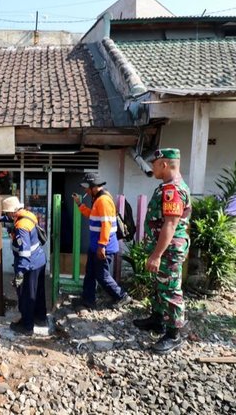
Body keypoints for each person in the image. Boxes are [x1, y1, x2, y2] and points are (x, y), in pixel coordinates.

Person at [133, 148, 191, 354]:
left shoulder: (173, 190)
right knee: (160, 286)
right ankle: (157, 320)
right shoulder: (166, 187)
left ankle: (174, 335)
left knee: (171, 290)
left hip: (168, 251)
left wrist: (157, 255)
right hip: (163, 249)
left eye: (155, 164)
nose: (152, 168)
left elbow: (170, 225)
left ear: (164, 164)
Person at [73, 173, 131, 310]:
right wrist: (79, 204)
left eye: (87, 187)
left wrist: (102, 246)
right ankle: (88, 300)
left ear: (94, 187)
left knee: (102, 275)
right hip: (96, 245)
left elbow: (106, 225)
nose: (86, 190)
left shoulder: (103, 201)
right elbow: (91, 215)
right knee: (90, 273)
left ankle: (122, 296)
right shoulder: (98, 199)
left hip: (103, 246)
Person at [0, 196, 47, 336]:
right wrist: (0, 219)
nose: (6, 215)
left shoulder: (21, 227)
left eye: (6, 213)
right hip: (39, 261)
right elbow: (12, 220)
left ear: (13, 212)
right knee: (38, 292)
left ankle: (27, 326)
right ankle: (40, 318)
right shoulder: (28, 215)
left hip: (29, 265)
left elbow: (24, 252)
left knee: (26, 295)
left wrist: (20, 272)